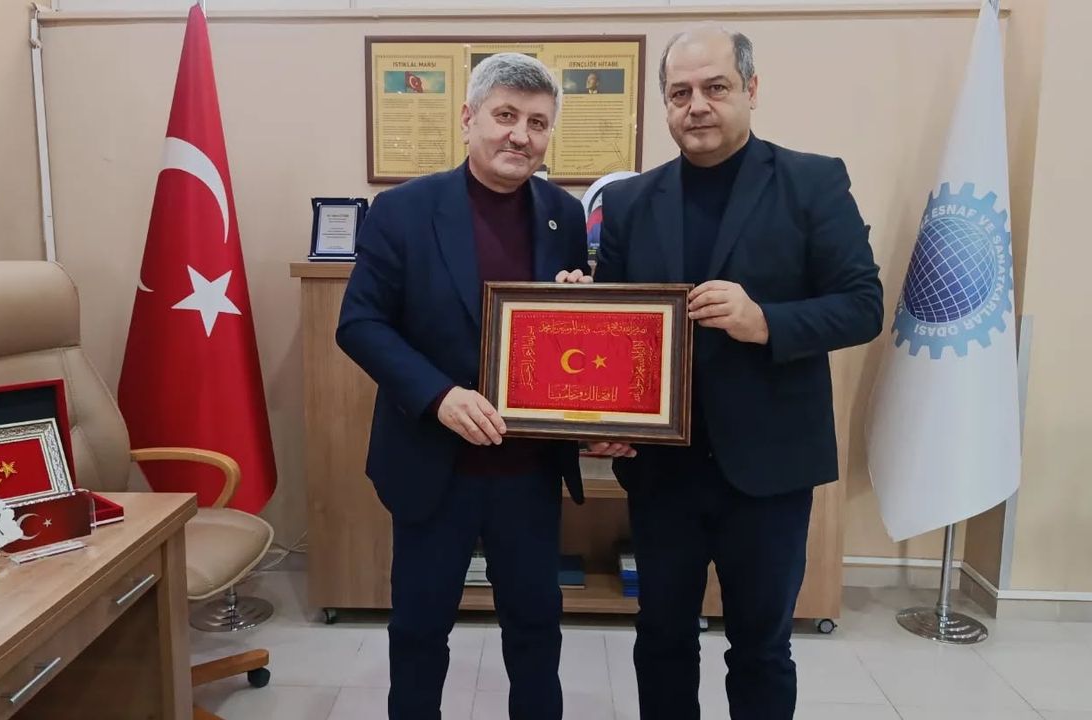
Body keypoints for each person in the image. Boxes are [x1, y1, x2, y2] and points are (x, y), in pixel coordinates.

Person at [563, 24, 883, 720]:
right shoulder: (630, 202)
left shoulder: (812, 181)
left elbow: (863, 306)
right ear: (665, 103)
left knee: (761, 648)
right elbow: (619, 334)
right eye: (680, 93)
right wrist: (591, 367)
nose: (697, 105)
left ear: (751, 89)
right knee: (662, 639)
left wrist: (764, 320)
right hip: (664, 471)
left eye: (715, 87)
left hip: (769, 472)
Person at [337, 52, 589, 720]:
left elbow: (566, 339)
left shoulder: (564, 215)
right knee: (419, 632)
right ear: (468, 117)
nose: (520, 135)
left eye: (537, 123)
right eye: (505, 115)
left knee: (536, 631)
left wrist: (580, 309)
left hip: (528, 469)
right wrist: (439, 395)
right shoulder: (403, 210)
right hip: (433, 464)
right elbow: (359, 323)